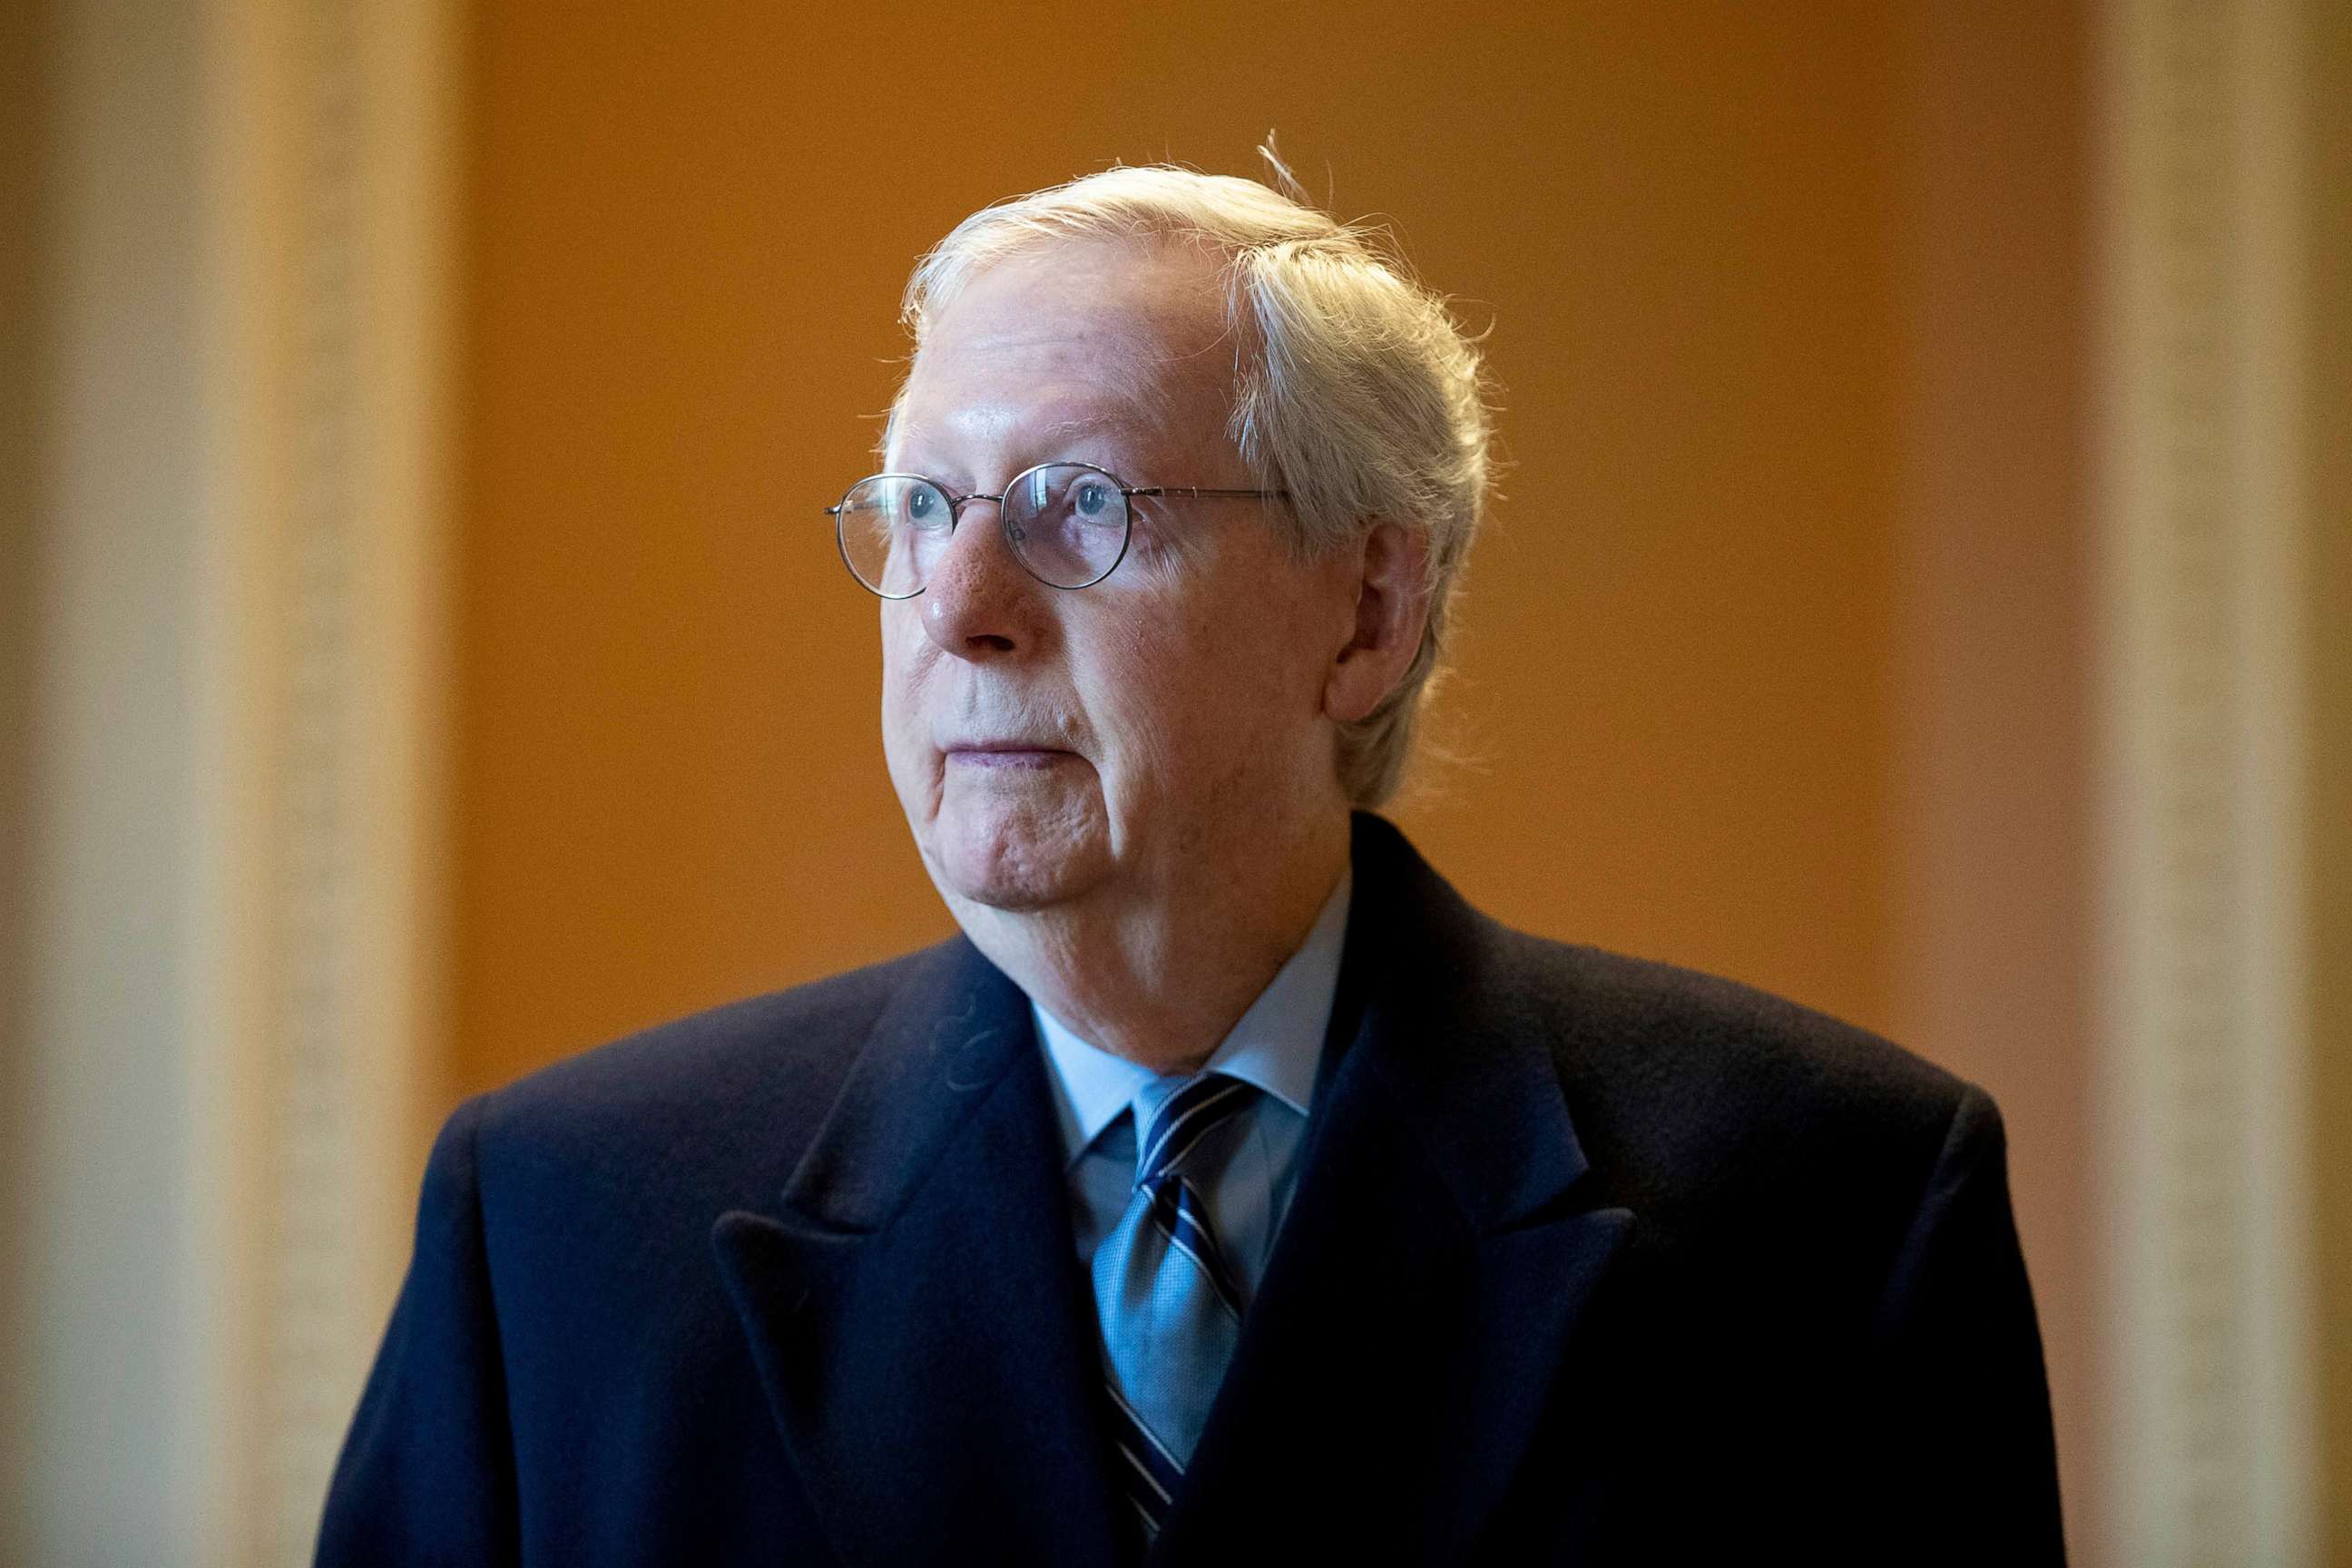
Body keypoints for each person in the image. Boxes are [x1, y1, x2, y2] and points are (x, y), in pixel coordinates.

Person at [315, 162, 2066, 1565]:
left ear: (1369, 611)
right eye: (921, 507)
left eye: (1081, 507)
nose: (962, 610)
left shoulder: (1835, 1208)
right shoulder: (557, 1226)